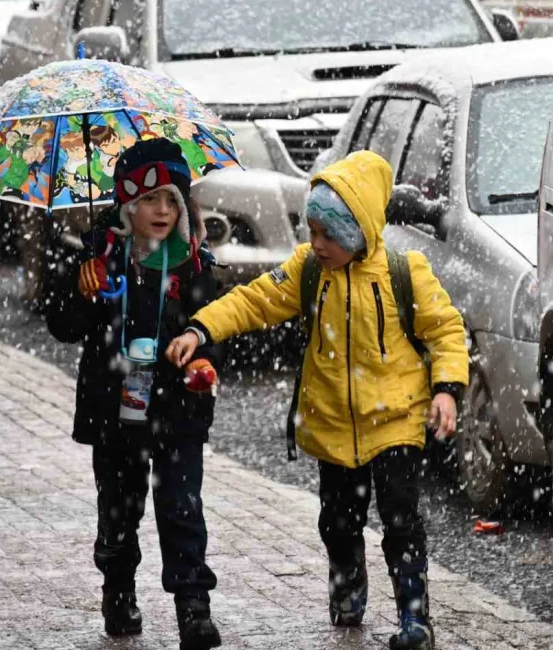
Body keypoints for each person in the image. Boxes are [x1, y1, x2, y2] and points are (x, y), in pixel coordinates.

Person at [166, 150, 469, 650]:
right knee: (338, 521)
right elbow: (255, 299)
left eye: (329, 235)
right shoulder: (309, 270)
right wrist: (202, 328)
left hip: (396, 419)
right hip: (331, 424)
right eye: (312, 231)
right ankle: (348, 579)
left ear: (358, 233)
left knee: (401, 519)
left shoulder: (404, 273)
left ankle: (415, 619)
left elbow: (446, 331)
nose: (317, 243)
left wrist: (446, 390)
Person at [45, 137, 223, 650]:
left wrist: (205, 362)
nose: (162, 211)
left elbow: (214, 328)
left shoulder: (194, 263)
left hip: (178, 410)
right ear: (128, 205)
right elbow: (63, 325)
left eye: (171, 199)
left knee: (182, 507)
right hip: (114, 411)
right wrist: (79, 290)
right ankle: (118, 588)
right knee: (119, 509)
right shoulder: (102, 260)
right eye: (149, 200)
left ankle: (193, 607)